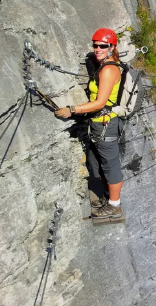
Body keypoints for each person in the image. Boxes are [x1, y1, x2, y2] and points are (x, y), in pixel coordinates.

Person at [55, 28, 124, 219]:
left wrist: (72, 109)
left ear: (112, 47)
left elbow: (100, 102)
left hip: (105, 124)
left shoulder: (109, 70)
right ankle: (107, 196)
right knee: (96, 162)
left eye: (102, 45)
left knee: (111, 166)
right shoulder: (103, 65)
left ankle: (115, 205)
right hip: (96, 123)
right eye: (95, 45)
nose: (97, 48)